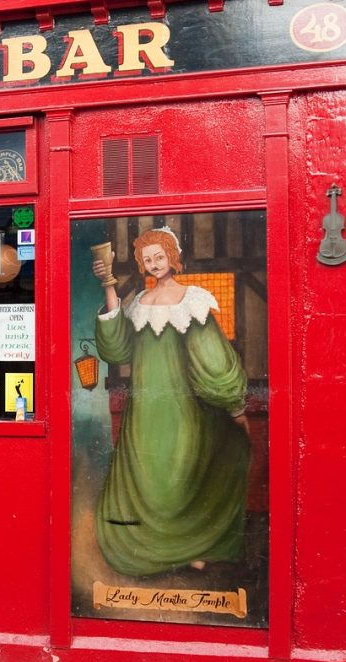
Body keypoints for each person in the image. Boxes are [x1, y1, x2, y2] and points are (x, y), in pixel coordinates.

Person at [91, 227, 249, 577]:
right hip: (144, 413)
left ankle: (193, 549)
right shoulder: (139, 303)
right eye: (147, 259)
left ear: (172, 257)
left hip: (183, 409)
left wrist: (233, 402)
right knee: (150, 478)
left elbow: (212, 357)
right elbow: (117, 349)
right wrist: (108, 285)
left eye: (159, 257)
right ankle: (158, 554)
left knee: (180, 476)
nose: (154, 264)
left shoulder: (191, 301)